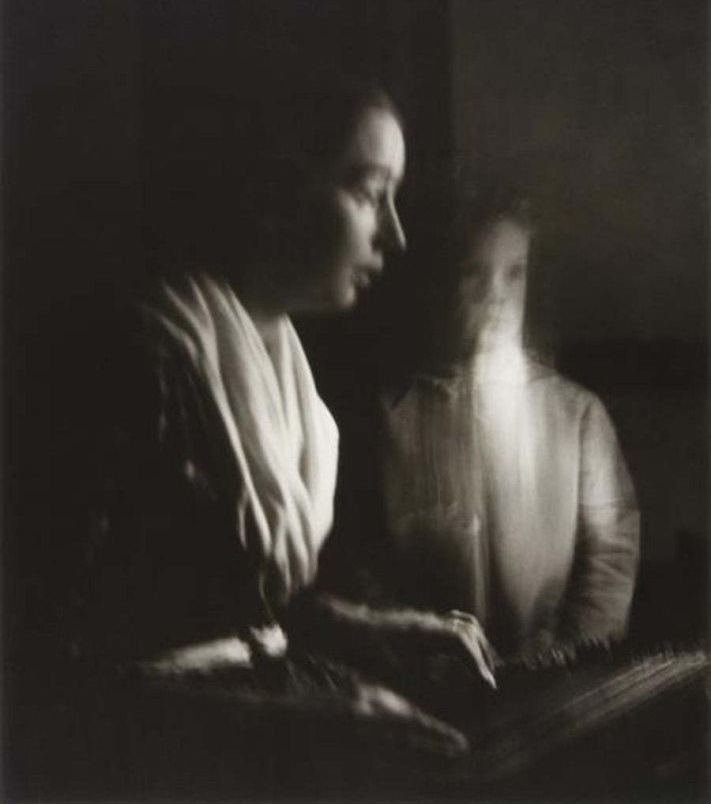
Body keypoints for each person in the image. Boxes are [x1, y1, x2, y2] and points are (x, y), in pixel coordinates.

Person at [10, 71, 496, 798]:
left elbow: (236, 607)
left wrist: (376, 628)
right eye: (370, 194)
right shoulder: (142, 362)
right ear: (275, 192)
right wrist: (287, 725)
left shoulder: (285, 371)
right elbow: (45, 672)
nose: (394, 234)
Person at [379, 182, 640, 657]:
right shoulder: (395, 415)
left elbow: (610, 552)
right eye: (473, 273)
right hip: (431, 670)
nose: (495, 295)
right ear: (441, 282)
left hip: (552, 670)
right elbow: (364, 560)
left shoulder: (578, 415)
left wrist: (570, 651)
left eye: (514, 273)